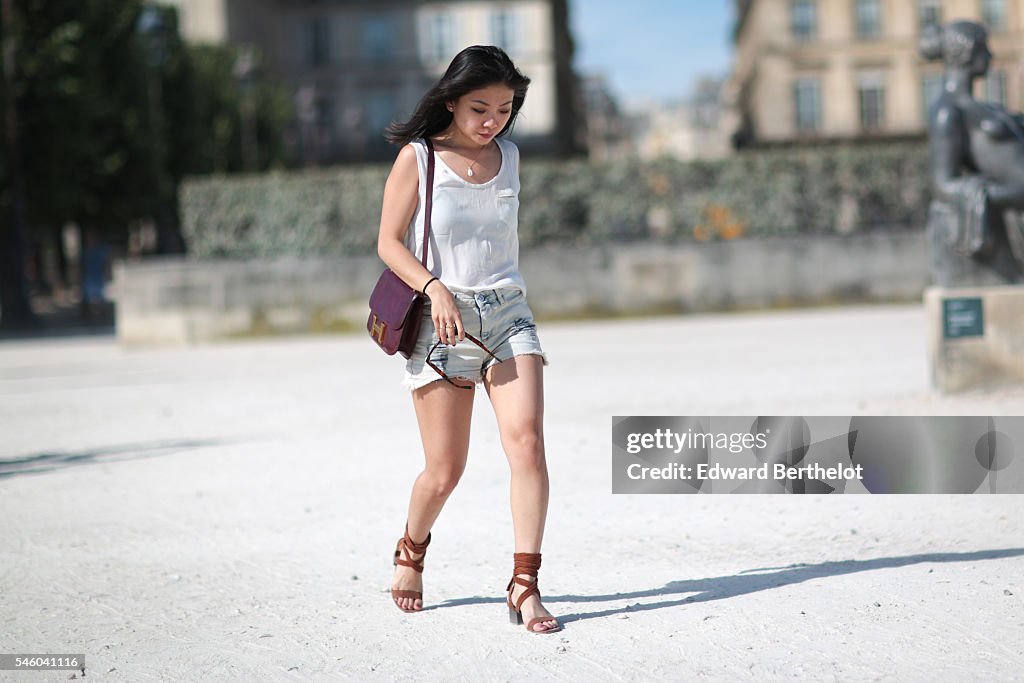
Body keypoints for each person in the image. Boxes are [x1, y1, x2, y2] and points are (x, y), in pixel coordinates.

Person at [376, 45, 560, 634]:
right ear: (450, 101)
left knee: (527, 444)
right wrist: (435, 289)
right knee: (444, 470)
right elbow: (388, 242)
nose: (492, 121)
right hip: (442, 322)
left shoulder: (510, 157)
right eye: (480, 107)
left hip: (508, 312)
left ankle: (525, 584)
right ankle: (412, 548)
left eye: (505, 109)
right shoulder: (419, 158)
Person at [921, 21, 1024, 284]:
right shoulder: (948, 111)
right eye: (984, 49)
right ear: (967, 52)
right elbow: (942, 183)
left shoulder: (986, 107)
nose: (990, 56)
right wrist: (985, 193)